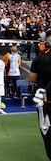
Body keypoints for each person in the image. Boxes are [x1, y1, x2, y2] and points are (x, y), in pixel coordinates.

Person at [30, 30, 51, 160]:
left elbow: (32, 78)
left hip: (45, 98)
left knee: (46, 129)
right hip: (45, 97)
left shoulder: (40, 57)